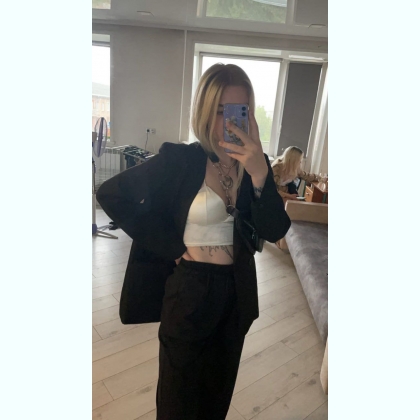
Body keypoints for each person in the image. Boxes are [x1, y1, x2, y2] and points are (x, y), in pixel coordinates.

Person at [96, 63, 291, 420]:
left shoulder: (255, 165)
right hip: (190, 290)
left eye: (239, 111)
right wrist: (171, 246)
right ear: (204, 110)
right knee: (177, 402)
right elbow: (112, 194)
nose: (229, 122)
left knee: (216, 401)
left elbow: (275, 228)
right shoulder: (181, 159)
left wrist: (260, 173)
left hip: (236, 294)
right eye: (220, 111)